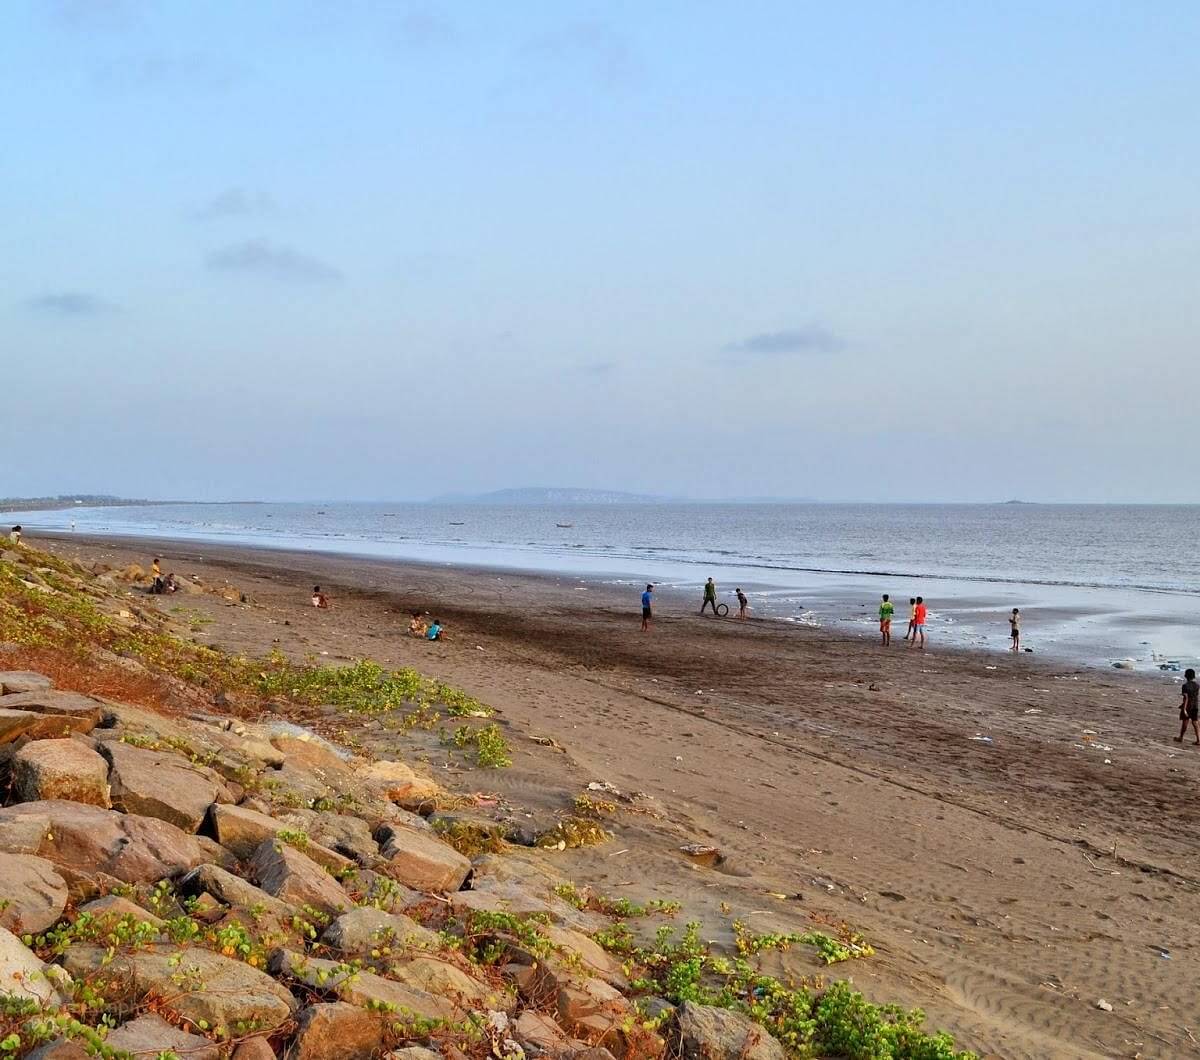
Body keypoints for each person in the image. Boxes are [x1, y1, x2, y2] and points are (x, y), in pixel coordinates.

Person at [1176, 668, 1199, 745]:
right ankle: (1198, 739)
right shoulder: (1197, 685)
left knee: (1185, 722)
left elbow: (1186, 698)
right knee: (1195, 723)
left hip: (1188, 706)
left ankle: (1181, 737)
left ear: (1186, 676)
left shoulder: (1185, 686)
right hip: (1195, 705)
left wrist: (1184, 708)